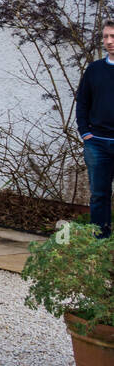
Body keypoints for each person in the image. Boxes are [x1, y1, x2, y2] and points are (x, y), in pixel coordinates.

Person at [77, 20, 114, 238]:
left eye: (113, 36)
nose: (109, 42)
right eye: (106, 37)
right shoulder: (94, 70)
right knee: (99, 195)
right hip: (97, 144)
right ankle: (100, 243)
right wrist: (85, 133)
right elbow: (82, 102)